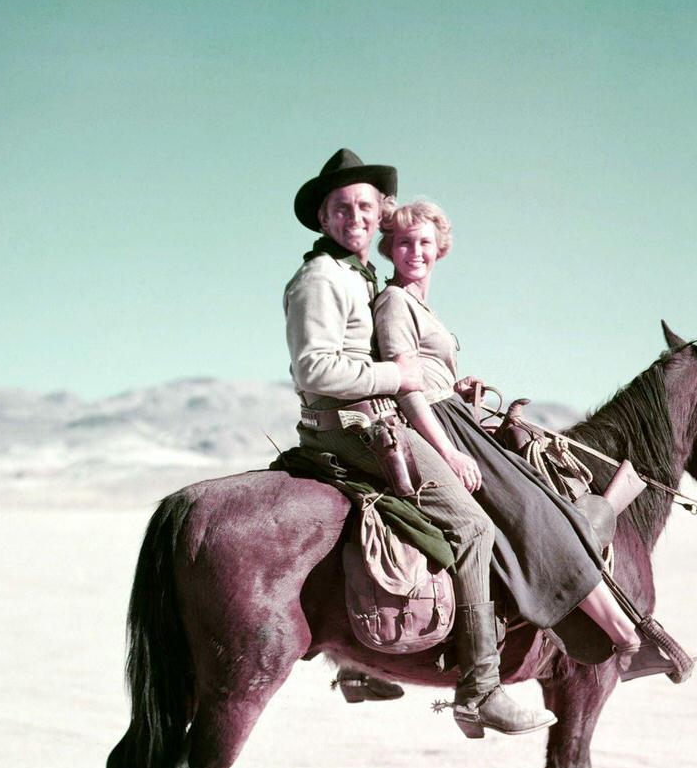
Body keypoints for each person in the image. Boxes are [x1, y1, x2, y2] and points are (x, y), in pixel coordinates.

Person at [284, 150, 557, 736]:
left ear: (378, 212)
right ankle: (480, 689)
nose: (354, 216)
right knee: (474, 527)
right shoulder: (320, 278)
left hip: (372, 419)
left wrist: (440, 381)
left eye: (364, 205)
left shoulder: (358, 276)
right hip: (353, 428)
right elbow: (314, 369)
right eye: (340, 208)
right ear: (324, 218)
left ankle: (357, 660)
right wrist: (400, 378)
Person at [372, 198, 674, 669]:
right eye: (404, 243)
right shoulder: (394, 302)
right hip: (437, 426)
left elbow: (427, 373)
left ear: (440, 249)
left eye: (425, 242)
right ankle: (626, 637)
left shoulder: (418, 305)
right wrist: (448, 452)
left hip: (452, 412)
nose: (415, 251)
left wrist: (457, 385)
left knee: (543, 496)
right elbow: (407, 388)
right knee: (534, 511)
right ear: (389, 248)